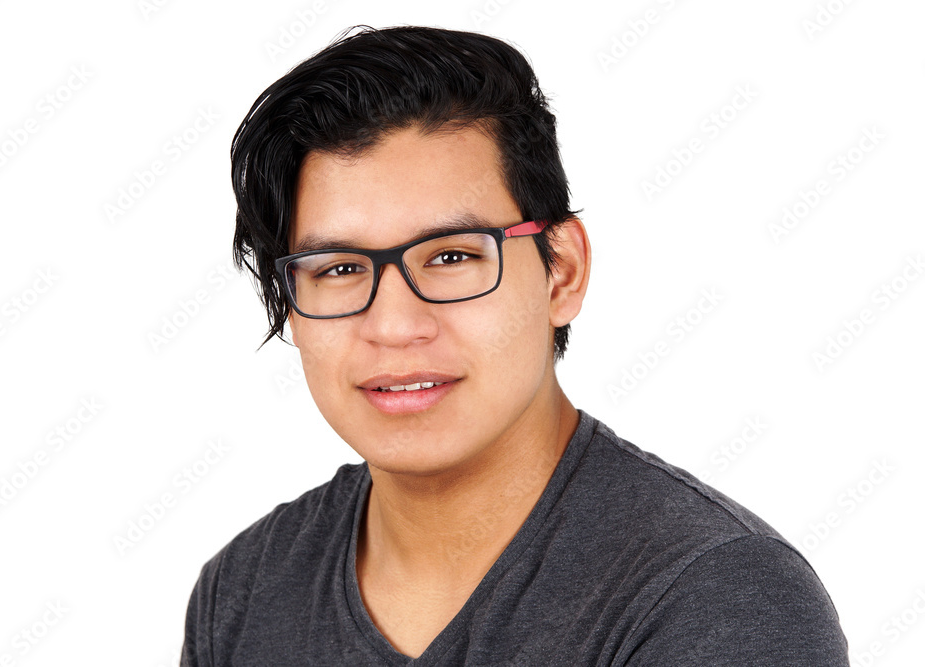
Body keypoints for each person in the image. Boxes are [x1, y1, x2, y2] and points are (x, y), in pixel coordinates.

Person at [180, 25, 848, 665]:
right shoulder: (243, 592)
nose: (394, 324)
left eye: (451, 257)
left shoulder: (716, 595)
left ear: (561, 269)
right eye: (339, 268)